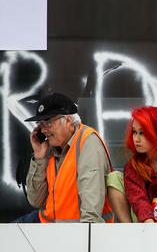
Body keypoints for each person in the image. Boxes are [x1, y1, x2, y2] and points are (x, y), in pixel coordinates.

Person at [19, 92, 114, 223]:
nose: (44, 130)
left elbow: (91, 211)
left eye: (48, 122)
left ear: (68, 121)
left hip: (72, 230)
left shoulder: (88, 143)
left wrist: (86, 238)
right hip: (48, 223)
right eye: (40, 124)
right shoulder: (49, 146)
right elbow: (35, 200)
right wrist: (39, 157)